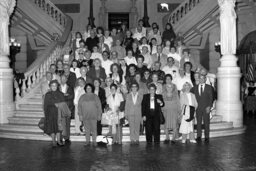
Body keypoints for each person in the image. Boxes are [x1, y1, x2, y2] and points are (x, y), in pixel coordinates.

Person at [191, 74, 214, 143]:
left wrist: (209, 106)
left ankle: (207, 137)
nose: (201, 80)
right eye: (200, 78)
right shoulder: (195, 87)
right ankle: (199, 136)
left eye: (202, 78)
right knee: (198, 123)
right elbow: (189, 93)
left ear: (205, 79)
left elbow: (211, 98)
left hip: (206, 107)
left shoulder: (209, 87)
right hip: (198, 108)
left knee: (206, 123)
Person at [43, 80, 65, 147]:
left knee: (58, 127)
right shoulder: (47, 94)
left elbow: (63, 103)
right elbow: (46, 104)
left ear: (57, 86)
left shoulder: (61, 94)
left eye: (55, 85)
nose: (54, 87)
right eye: (52, 85)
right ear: (50, 86)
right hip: (50, 113)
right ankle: (53, 141)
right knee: (52, 127)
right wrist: (54, 103)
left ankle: (58, 141)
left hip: (58, 113)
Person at [162, 74, 181, 143]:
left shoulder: (175, 90)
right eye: (167, 79)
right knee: (166, 124)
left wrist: (179, 110)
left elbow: (178, 101)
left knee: (174, 124)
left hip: (174, 109)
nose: (168, 80)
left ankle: (173, 138)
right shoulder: (163, 90)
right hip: (166, 109)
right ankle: (167, 137)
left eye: (169, 79)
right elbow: (162, 100)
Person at [59, 75, 74, 144]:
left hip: (68, 108)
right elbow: (57, 96)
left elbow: (71, 96)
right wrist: (64, 95)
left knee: (67, 123)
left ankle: (67, 138)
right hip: (59, 108)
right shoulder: (57, 87)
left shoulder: (70, 87)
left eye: (64, 78)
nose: (63, 80)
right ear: (60, 79)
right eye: (62, 78)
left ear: (66, 79)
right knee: (61, 124)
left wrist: (62, 96)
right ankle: (61, 138)